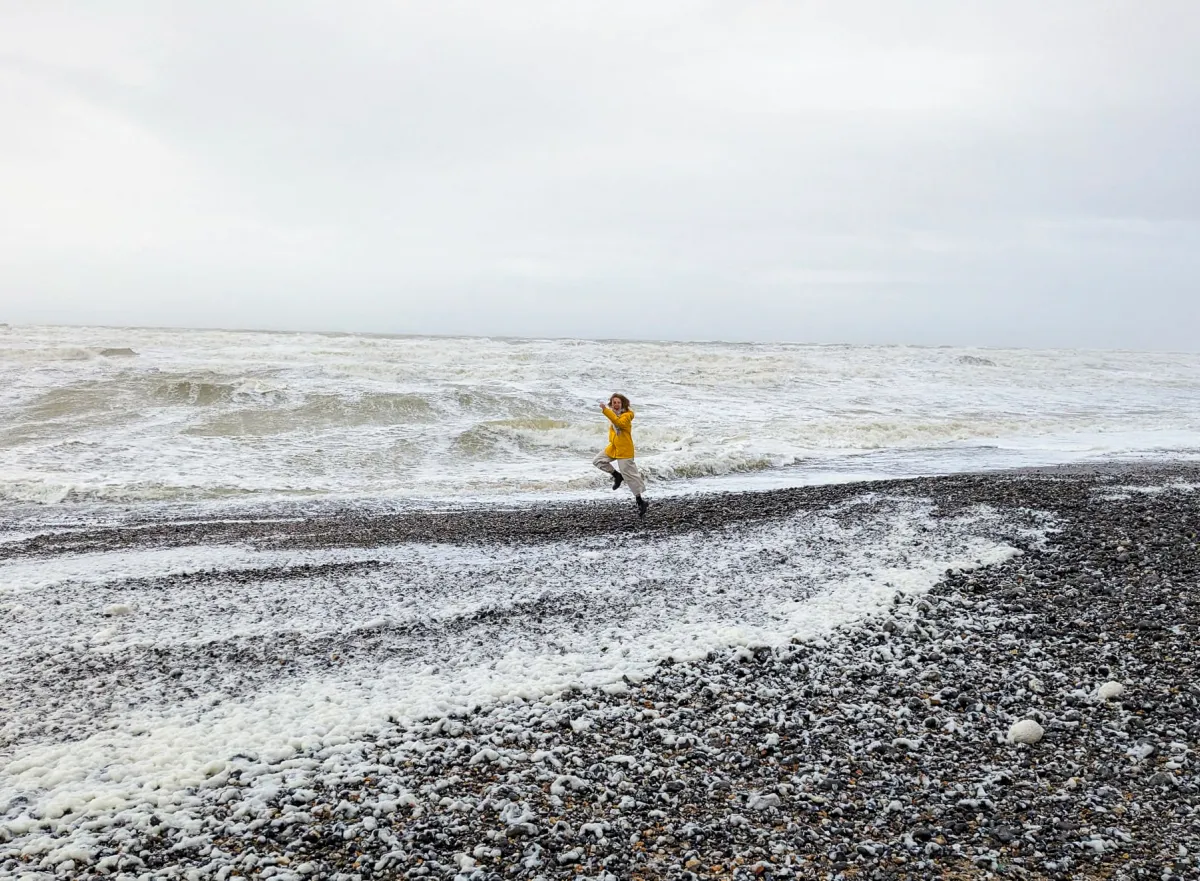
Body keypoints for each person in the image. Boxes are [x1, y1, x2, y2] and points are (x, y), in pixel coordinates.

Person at [593, 393, 649, 517]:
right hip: (614, 447)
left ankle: (640, 501)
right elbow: (614, 421)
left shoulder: (628, 415)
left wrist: (606, 411)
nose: (616, 405)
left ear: (623, 404)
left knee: (630, 476)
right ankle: (617, 476)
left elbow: (619, 424)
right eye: (614, 403)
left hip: (625, 450)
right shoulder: (613, 415)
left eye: (618, 402)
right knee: (598, 460)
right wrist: (608, 411)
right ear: (611, 404)